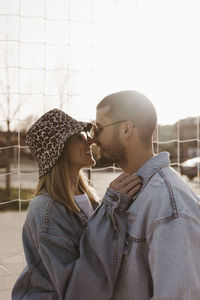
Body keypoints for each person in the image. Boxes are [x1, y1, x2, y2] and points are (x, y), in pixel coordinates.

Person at [12, 108, 142, 300]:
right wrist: (111, 207)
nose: (90, 140)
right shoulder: (44, 209)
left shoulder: (92, 199)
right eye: (80, 137)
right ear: (59, 148)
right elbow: (77, 290)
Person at [94, 90, 200, 300]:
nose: (94, 138)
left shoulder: (170, 205)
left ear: (126, 128)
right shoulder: (132, 189)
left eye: (98, 128)